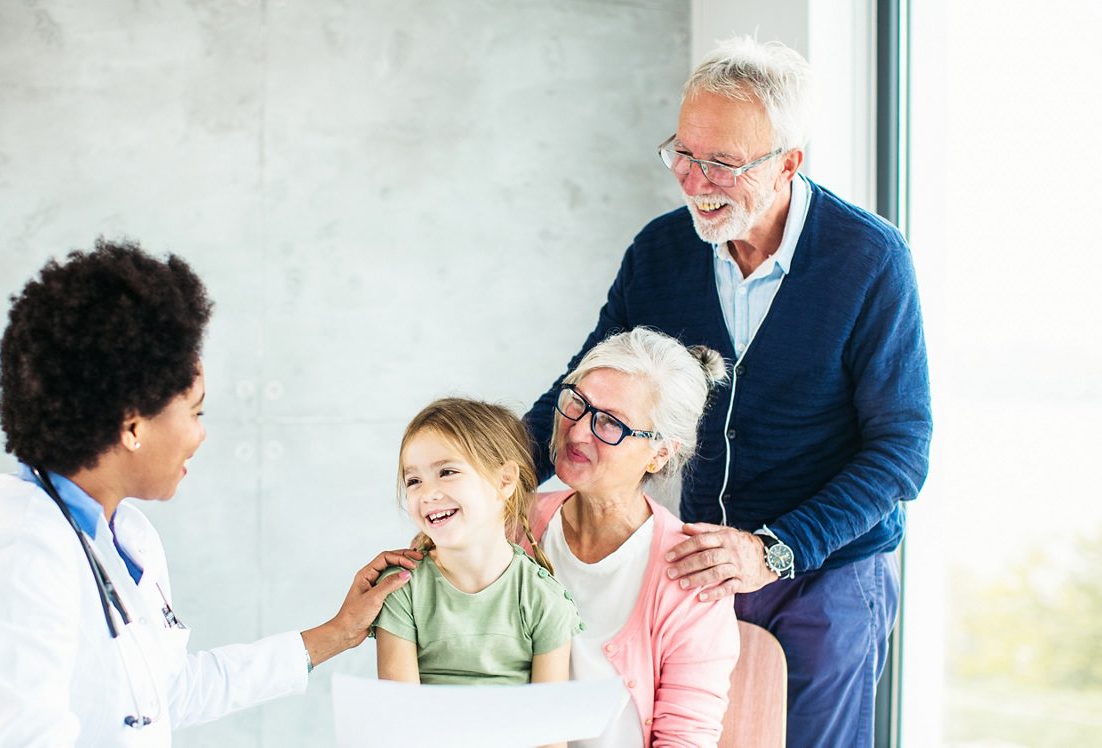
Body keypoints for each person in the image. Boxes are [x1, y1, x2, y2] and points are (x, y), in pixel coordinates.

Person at [525, 37, 932, 746]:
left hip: (826, 575)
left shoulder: (870, 260)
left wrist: (773, 550)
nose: (693, 180)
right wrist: (484, 487)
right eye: (683, 152)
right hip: (699, 568)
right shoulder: (661, 252)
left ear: (789, 163)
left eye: (723, 163)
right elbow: (582, 389)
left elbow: (901, 452)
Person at [0, 239, 420, 746]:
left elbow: (166, 695)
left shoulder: (126, 535)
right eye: (195, 412)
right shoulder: (19, 544)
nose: (201, 434)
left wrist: (338, 633)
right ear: (132, 424)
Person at [525, 327, 739, 747]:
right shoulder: (515, 527)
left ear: (660, 452)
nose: (579, 431)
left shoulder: (691, 580)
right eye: (578, 403)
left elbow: (685, 740)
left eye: (610, 423)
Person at [374, 398, 582, 693]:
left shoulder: (543, 598)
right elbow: (401, 721)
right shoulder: (401, 588)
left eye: (447, 472)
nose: (428, 494)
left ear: (505, 480)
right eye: (414, 480)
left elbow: (548, 735)